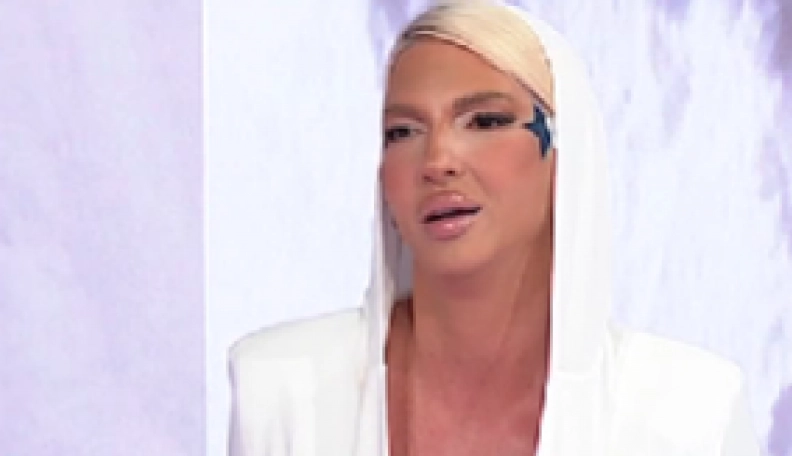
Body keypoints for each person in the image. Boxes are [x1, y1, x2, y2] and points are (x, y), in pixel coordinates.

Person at [227, 1, 762, 455]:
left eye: (485, 121)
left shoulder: (692, 415)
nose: (437, 161)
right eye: (403, 131)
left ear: (568, 153)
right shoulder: (277, 389)